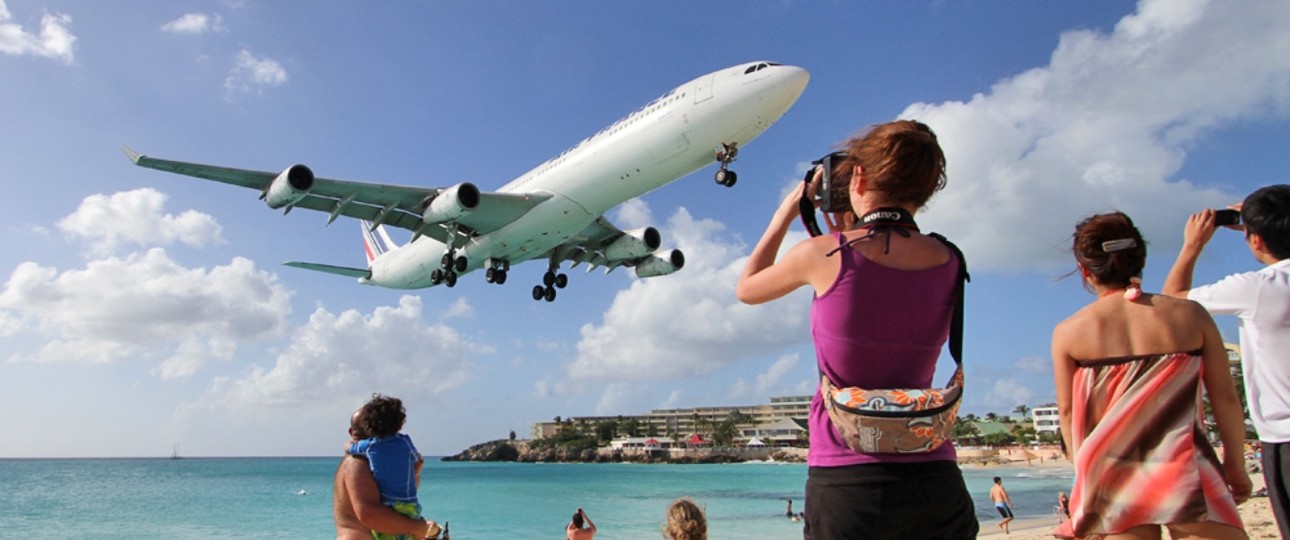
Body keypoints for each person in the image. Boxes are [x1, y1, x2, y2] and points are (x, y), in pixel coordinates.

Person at [736, 120, 977, 539]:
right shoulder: (950, 259)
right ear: (924, 191)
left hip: (847, 476)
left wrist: (788, 211)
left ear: (859, 177)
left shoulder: (822, 254)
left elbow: (747, 288)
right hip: (935, 476)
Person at [1051, 211, 1250, 539]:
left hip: (1111, 472)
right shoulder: (1190, 316)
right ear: (1140, 261)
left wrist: (1084, 474)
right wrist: (1235, 465)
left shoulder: (1069, 332)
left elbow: (1068, 413)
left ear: (1085, 272)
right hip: (1185, 468)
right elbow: (1226, 397)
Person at [1163, 185, 1290, 538]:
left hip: (1285, 437)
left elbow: (1174, 302)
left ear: (1256, 241)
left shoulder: (1260, 287)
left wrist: (1193, 245)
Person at [346, 394, 428, 540]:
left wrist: (347, 445)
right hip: (410, 503)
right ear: (400, 423)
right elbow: (416, 460)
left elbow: (350, 448)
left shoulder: (369, 446)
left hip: (388, 506)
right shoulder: (405, 442)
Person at [333, 455, 441, 540]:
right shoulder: (356, 462)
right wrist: (416, 527)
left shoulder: (366, 463)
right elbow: (368, 513)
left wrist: (415, 475)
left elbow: (397, 500)